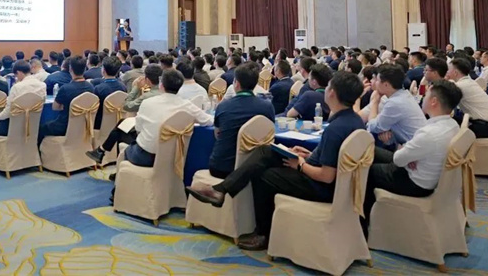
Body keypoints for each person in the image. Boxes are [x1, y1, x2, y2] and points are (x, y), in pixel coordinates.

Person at [187, 72, 365, 250]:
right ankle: (222, 190)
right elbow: (337, 158)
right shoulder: (355, 121)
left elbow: (326, 176)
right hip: (339, 184)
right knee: (267, 151)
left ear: (332, 92)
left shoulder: (335, 129)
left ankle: (263, 233)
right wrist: (309, 155)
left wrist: (301, 165)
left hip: (323, 187)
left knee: (265, 175)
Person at [363, 80, 462, 234]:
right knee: (370, 150)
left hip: (415, 183)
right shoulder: (452, 125)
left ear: (434, 101)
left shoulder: (429, 134)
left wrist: (405, 155)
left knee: (366, 171)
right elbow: (407, 155)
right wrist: (408, 156)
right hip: (424, 172)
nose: (423, 98)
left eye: (427, 94)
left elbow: (398, 160)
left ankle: (364, 223)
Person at [112, 69, 213, 172]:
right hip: (175, 157)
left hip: (146, 156)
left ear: (161, 84)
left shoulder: (147, 103)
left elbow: (139, 129)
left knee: (124, 138)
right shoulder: (187, 106)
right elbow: (209, 120)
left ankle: (118, 176)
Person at [208, 62, 275, 179]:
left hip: (221, 167)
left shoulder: (223, 106)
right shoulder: (267, 106)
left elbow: (217, 134)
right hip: (254, 167)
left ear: (236, 83)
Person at [85, 65, 163, 165]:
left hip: (146, 140)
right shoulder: (162, 92)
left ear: (147, 79)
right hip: (161, 136)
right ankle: (101, 151)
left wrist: (136, 88)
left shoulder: (147, 97)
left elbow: (126, 105)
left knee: (120, 131)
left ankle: (104, 153)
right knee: (121, 124)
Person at [0, 60, 47, 143]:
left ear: (18, 73)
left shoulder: (17, 87)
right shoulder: (42, 85)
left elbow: (9, 111)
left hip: (15, 124)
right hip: (34, 123)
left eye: (16, 75)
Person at [366, 64, 426, 148]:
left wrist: (375, 102)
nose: (375, 82)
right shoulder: (404, 95)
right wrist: (386, 130)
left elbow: (372, 127)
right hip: (413, 144)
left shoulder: (394, 103)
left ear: (386, 85)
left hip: (413, 150)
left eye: (377, 80)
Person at [38, 57, 94, 145]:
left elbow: (55, 107)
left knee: (41, 128)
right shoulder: (91, 87)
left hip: (64, 125)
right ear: (85, 69)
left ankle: (42, 151)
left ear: (70, 69)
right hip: (85, 124)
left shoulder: (65, 88)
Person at [447, 57, 488, 138]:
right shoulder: (470, 82)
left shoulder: (460, 86)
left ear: (455, 72)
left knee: (446, 129)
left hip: (483, 127)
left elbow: (444, 102)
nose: (447, 72)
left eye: (448, 70)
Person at [91, 57, 127, 129]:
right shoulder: (123, 87)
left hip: (100, 125)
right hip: (118, 123)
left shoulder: (98, 89)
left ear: (103, 70)